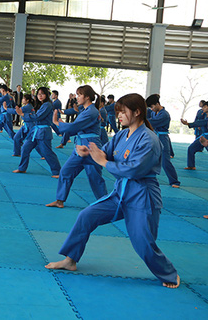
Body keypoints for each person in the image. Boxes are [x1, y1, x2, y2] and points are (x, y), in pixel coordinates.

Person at [45, 93, 180, 289]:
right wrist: (87, 152)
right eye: (118, 112)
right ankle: (70, 260)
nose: (119, 116)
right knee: (86, 215)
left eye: (123, 112)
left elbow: (133, 169)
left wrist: (103, 161)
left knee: (142, 241)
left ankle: (169, 273)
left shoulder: (149, 140)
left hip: (142, 195)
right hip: (121, 193)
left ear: (137, 112)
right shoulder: (120, 135)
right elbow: (104, 154)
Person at [46, 85, 107, 209]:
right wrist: (63, 126)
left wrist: (58, 123)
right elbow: (76, 127)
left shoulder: (91, 111)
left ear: (87, 97)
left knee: (94, 177)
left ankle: (106, 204)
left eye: (79, 95)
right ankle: (60, 200)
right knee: (66, 171)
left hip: (91, 146)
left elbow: (75, 126)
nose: (77, 97)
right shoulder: (86, 110)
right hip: (80, 145)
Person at [14, 87, 61, 177]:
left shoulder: (47, 105)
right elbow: (35, 116)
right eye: (39, 94)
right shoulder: (41, 105)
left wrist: (23, 114)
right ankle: (22, 168)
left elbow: (37, 117)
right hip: (35, 131)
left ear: (47, 95)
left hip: (43, 131)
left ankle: (57, 171)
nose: (40, 96)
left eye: (42, 94)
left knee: (47, 152)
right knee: (25, 148)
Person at [146, 94, 181, 188]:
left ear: (157, 104)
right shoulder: (154, 112)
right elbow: (147, 113)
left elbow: (152, 122)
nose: (152, 109)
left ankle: (174, 181)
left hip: (162, 137)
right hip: (154, 136)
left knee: (165, 161)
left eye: (152, 106)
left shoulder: (164, 114)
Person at [182, 101, 208, 170]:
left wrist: (189, 124)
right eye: (203, 107)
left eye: (205, 107)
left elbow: (202, 123)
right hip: (203, 135)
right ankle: (191, 166)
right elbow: (199, 121)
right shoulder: (204, 115)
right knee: (191, 148)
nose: (203, 108)